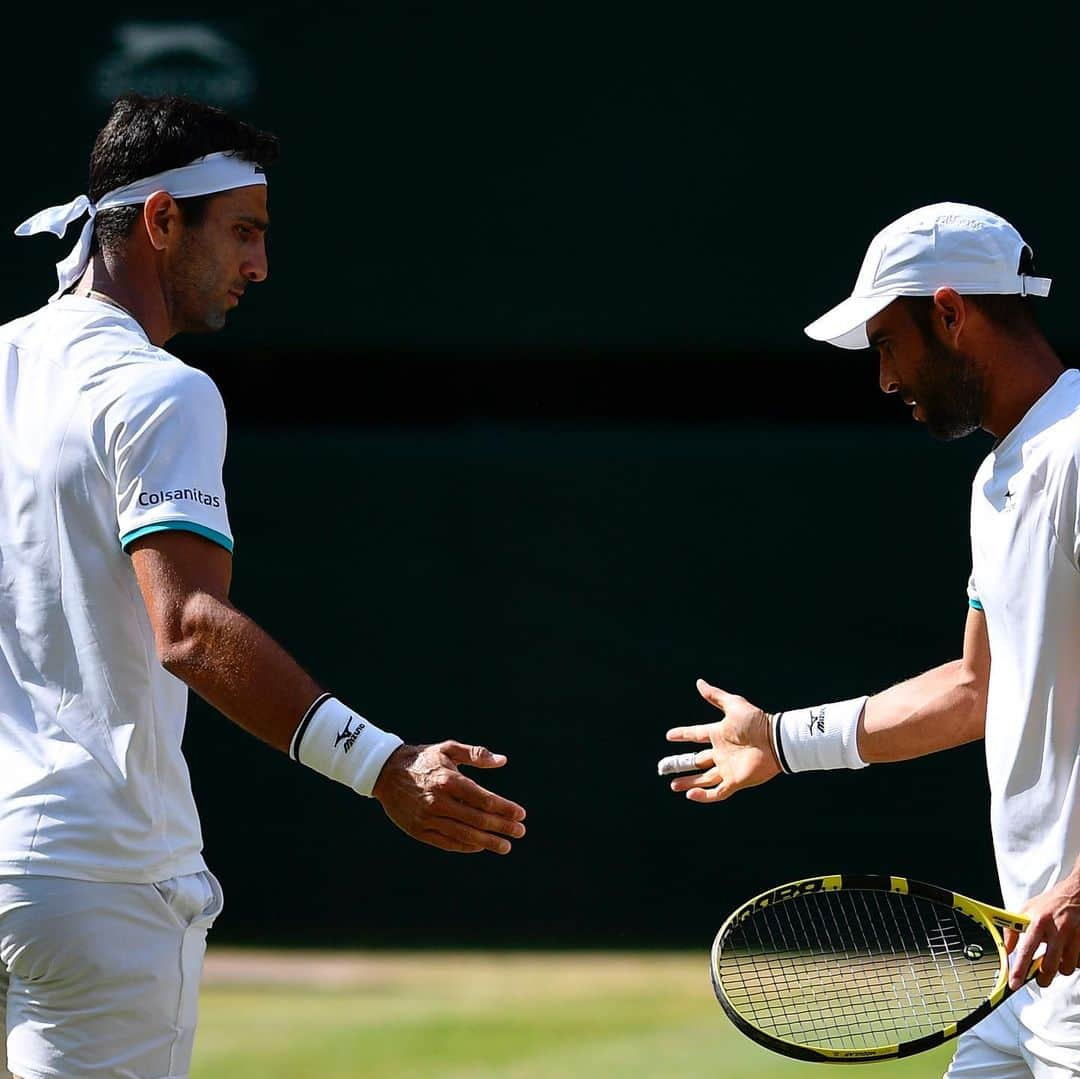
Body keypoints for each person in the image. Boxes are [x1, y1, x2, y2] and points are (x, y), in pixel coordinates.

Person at [0, 93, 526, 1079]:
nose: (260, 266)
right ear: (162, 220)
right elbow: (191, 628)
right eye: (244, 232)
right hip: (98, 872)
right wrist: (383, 764)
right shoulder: (161, 390)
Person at [662, 203, 1079, 1077]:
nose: (886, 380)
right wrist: (781, 741)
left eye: (889, 342)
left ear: (952, 311)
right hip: (1032, 973)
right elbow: (975, 686)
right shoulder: (1000, 475)